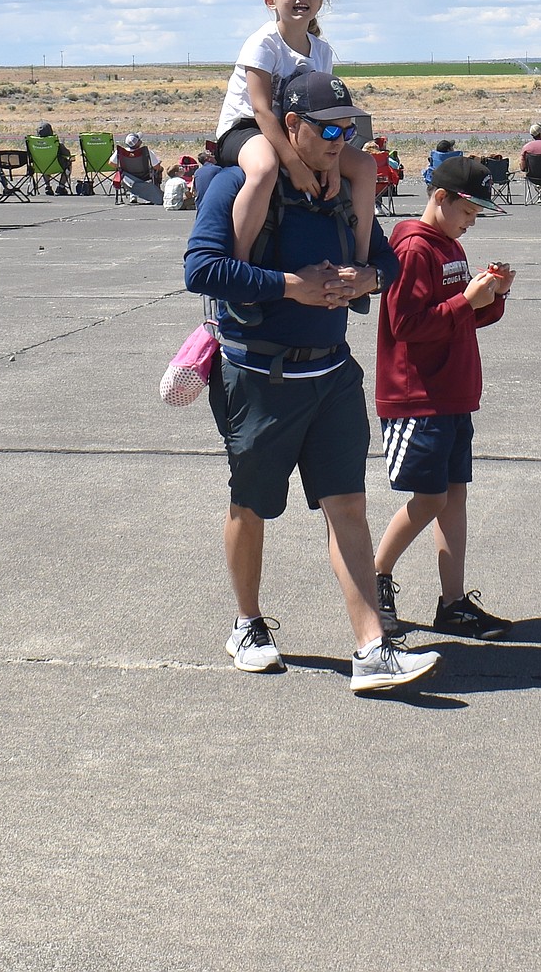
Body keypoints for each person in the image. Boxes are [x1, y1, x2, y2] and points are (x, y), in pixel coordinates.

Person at [184, 69, 441, 695]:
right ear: (289, 125)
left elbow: (379, 260)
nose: (340, 139)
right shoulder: (239, 184)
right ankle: (247, 624)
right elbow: (201, 268)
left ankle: (371, 649)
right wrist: (287, 285)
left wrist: (366, 282)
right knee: (251, 505)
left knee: (347, 506)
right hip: (259, 376)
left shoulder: (336, 192)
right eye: (329, 128)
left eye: (349, 128)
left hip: (330, 375)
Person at [373, 156, 516, 640]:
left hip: (452, 392)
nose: (470, 223)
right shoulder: (415, 248)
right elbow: (406, 325)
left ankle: (453, 602)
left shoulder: (448, 246)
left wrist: (491, 298)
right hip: (419, 395)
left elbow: (461, 319)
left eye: (476, 216)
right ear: (441, 198)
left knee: (453, 497)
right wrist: (465, 301)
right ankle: (375, 576)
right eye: (468, 212)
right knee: (431, 496)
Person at [213, 0, 375, 266]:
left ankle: (360, 260)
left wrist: (330, 166)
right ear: (271, 0)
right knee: (263, 169)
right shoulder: (264, 43)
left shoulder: (321, 51)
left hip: (298, 129)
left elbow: (327, 111)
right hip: (247, 128)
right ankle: (240, 262)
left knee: (366, 167)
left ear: (320, 1)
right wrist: (296, 165)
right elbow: (261, 109)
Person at [111, 132, 163, 204]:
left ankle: (133, 194)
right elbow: (156, 167)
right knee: (159, 170)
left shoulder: (121, 152)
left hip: (127, 176)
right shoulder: (145, 151)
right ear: (139, 143)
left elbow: (111, 163)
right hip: (144, 175)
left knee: (132, 178)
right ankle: (151, 196)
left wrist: (121, 168)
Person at [35, 122, 73, 194]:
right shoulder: (54, 142)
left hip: (40, 166)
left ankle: (47, 186)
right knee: (69, 164)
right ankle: (61, 187)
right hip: (57, 166)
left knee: (44, 163)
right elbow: (67, 154)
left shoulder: (33, 143)